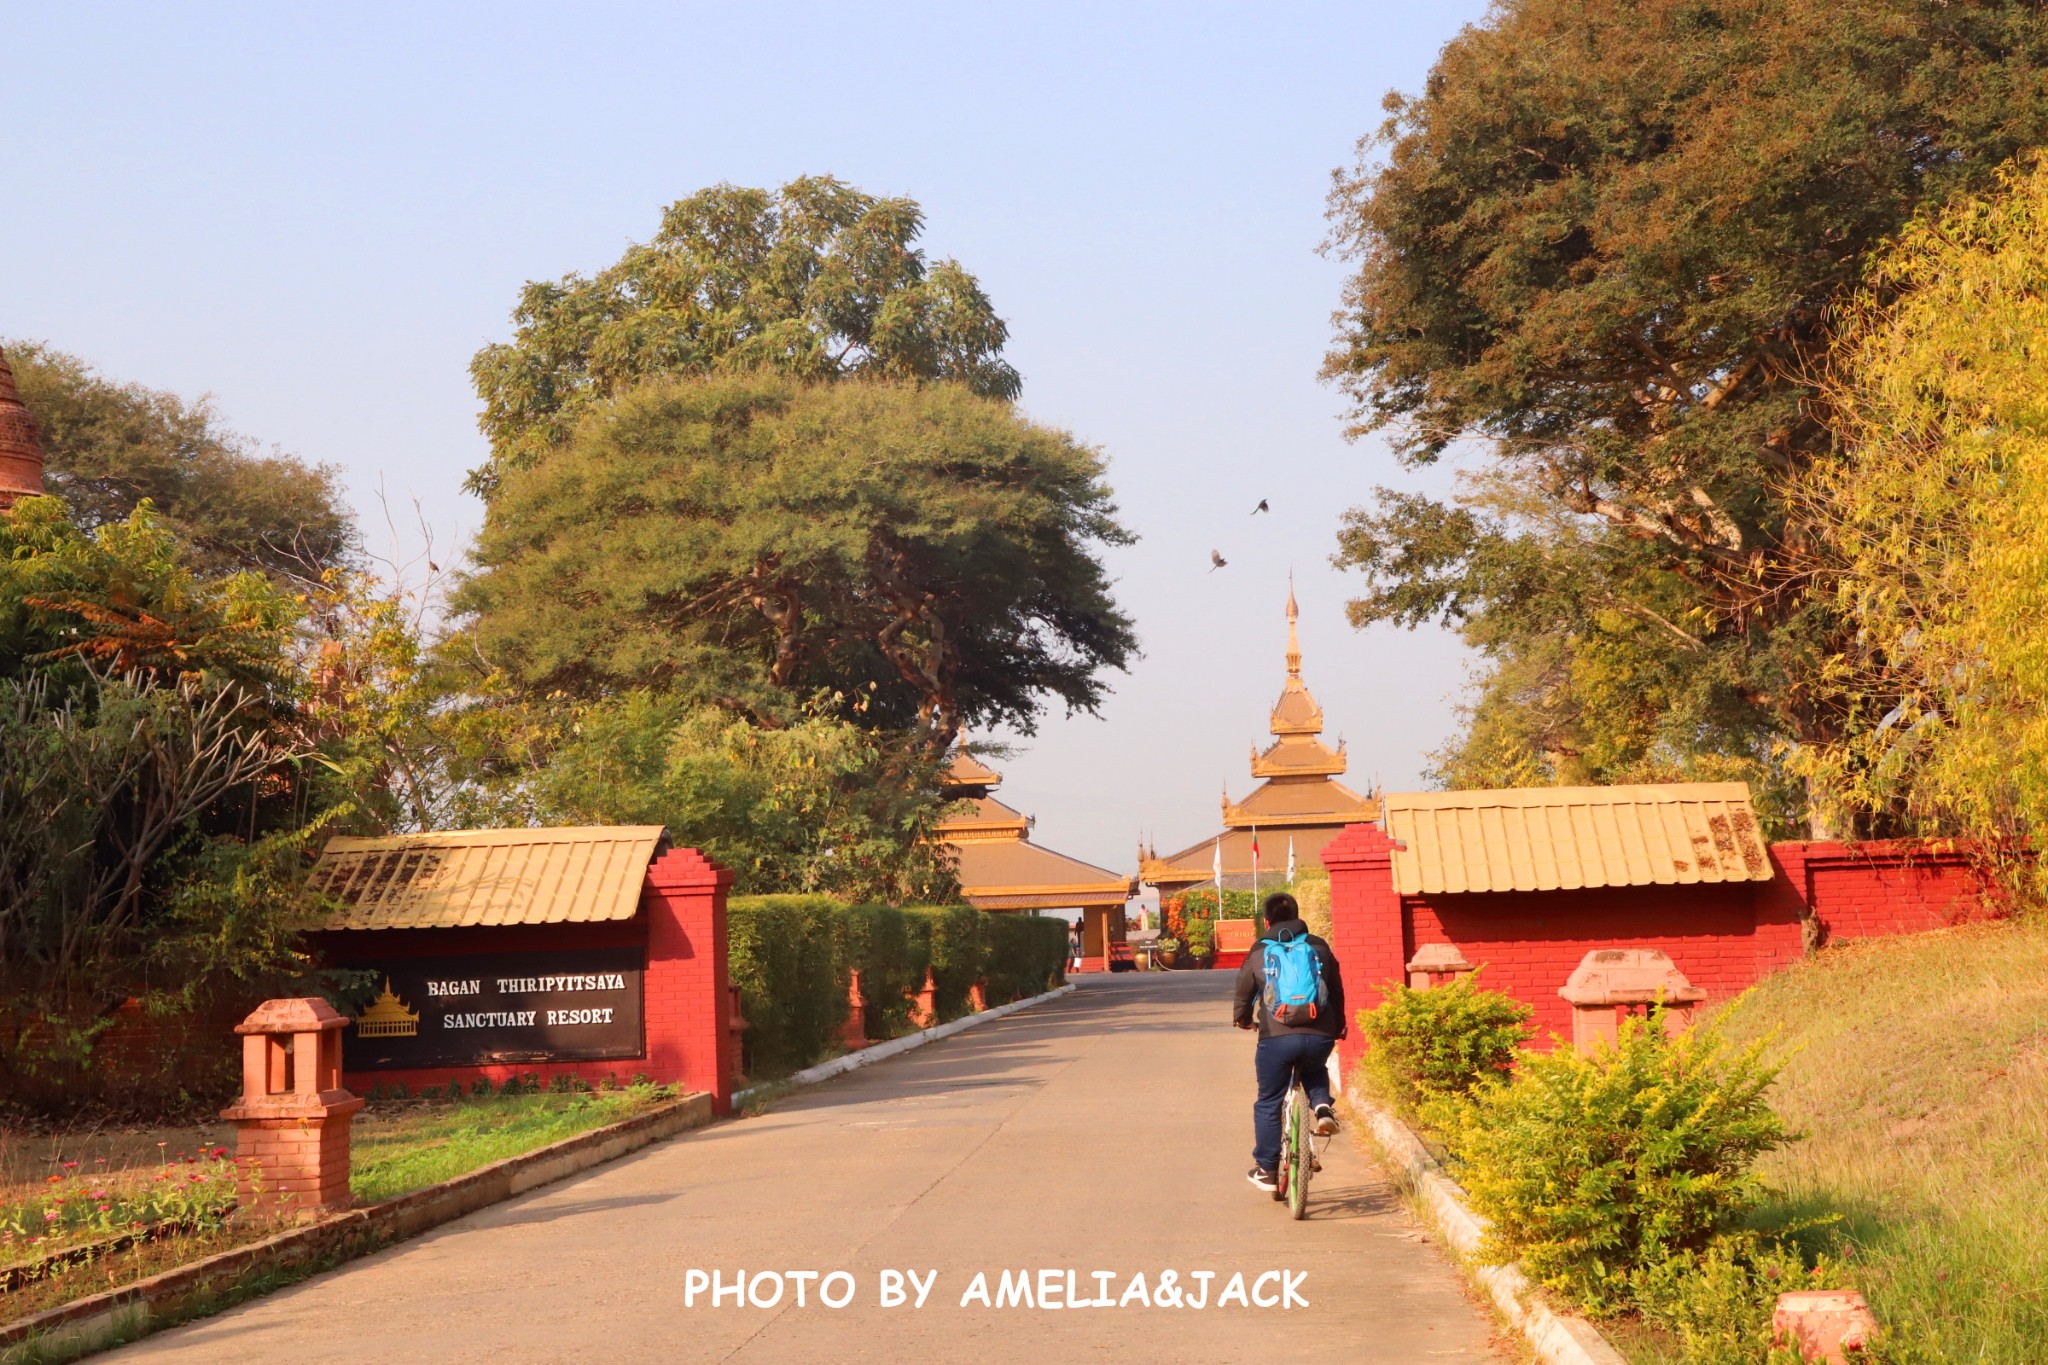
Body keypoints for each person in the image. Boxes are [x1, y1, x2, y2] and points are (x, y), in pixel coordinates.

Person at [1232, 891, 1346, 1193]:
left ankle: (1267, 1170)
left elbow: (1244, 991)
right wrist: (1339, 1025)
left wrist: (1242, 1018)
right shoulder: (1318, 946)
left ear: (1266, 921)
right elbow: (1335, 988)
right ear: (1298, 916)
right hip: (1319, 1032)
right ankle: (1322, 1107)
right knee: (1314, 1066)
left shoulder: (1260, 950)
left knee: (1269, 1100)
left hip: (1277, 1035)